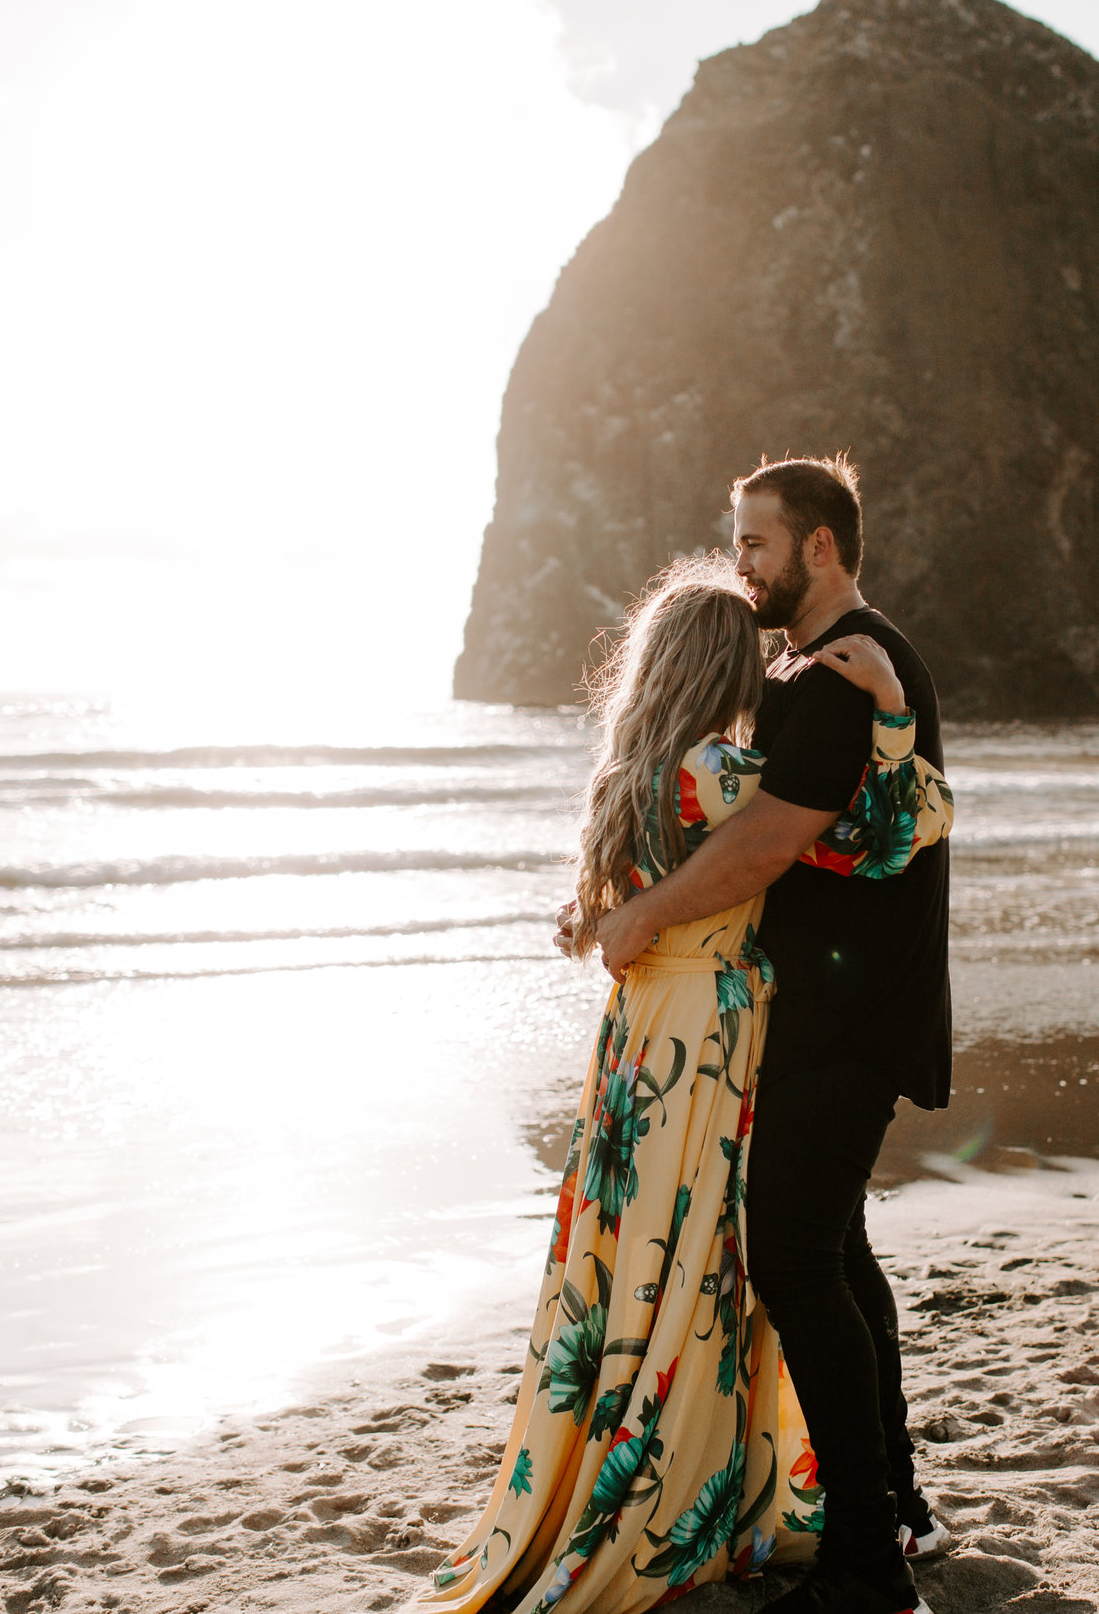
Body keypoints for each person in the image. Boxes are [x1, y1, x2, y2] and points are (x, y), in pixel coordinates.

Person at [418, 558, 951, 1614]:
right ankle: (697, 1486)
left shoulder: (628, 773)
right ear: (724, 667)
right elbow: (893, 831)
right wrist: (891, 713)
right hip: (706, 1037)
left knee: (630, 1250)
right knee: (697, 1259)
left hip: (633, 1041)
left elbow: (587, 914)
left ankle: (626, 1461)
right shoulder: (724, 774)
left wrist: (612, 918)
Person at [594, 456, 951, 1614]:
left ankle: (863, 1559)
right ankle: (889, 1506)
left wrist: (644, 914)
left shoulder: (849, 671)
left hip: (846, 1016)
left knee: (796, 1252)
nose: (738, 564)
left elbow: (775, 839)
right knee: (832, 1247)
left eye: (755, 544)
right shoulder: (816, 672)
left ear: (822, 547)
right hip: (832, 1009)